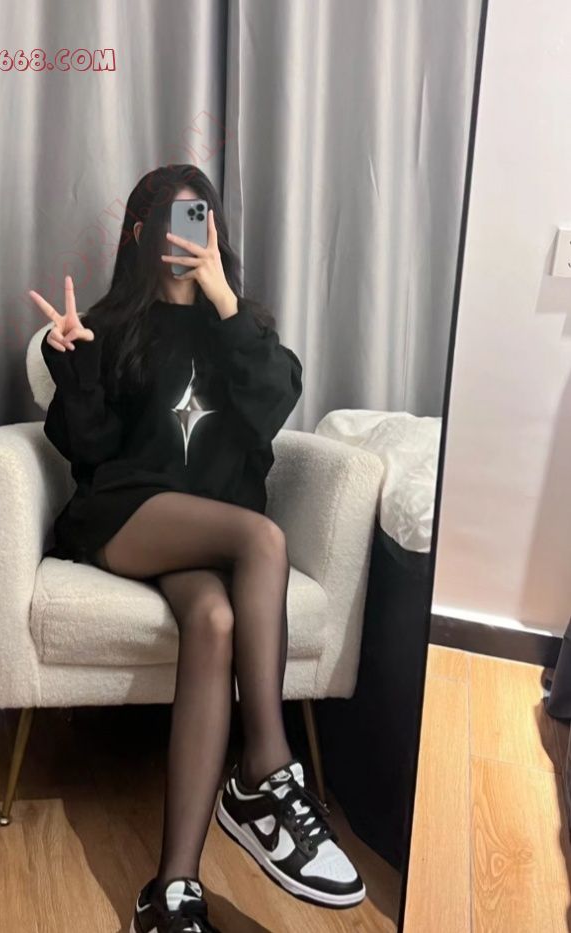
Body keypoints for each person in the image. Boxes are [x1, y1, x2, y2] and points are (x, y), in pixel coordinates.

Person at [29, 165, 365, 933]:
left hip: (207, 536)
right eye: (172, 219)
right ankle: (265, 769)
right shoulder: (111, 324)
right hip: (127, 516)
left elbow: (274, 402)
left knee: (213, 619)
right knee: (262, 535)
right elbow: (90, 450)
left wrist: (224, 300)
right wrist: (71, 364)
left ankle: (171, 892)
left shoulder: (238, 326)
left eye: (201, 217)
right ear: (139, 233)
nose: (187, 234)